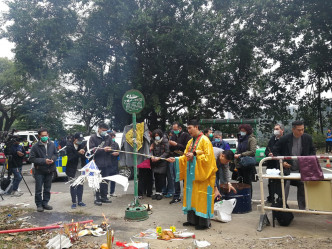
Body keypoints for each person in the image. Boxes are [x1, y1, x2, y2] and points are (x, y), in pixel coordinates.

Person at [167, 119, 217, 230]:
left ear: (196, 127)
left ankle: (204, 223)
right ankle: (192, 221)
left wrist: (195, 156)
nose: (188, 130)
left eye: (190, 128)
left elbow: (208, 159)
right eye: (187, 128)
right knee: (191, 197)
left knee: (202, 198)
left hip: (203, 176)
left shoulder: (205, 140)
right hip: (191, 176)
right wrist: (175, 159)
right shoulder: (190, 142)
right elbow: (185, 157)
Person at [273, 120, 316, 210]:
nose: (301, 132)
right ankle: (282, 206)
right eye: (299, 130)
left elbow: (313, 151)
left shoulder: (307, 138)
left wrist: (308, 160)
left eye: (303, 129)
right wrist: (282, 161)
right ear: (293, 129)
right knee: (285, 183)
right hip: (288, 169)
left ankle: (303, 207)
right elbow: (275, 150)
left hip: (302, 168)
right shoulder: (285, 139)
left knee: (302, 184)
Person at [29, 128, 58, 212]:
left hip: (49, 170)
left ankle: (45, 203)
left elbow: (56, 154)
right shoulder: (35, 146)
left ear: (48, 135)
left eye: (46, 135)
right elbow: (31, 159)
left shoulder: (52, 144)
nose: (45, 137)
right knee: (38, 190)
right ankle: (39, 205)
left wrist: (53, 159)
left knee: (47, 189)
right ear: (39, 136)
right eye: (43, 136)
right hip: (39, 171)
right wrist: (44, 161)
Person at [89, 122, 114, 206]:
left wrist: (111, 149)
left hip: (107, 163)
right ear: (99, 129)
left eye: (106, 131)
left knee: (105, 181)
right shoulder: (93, 138)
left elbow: (113, 146)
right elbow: (92, 150)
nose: (105, 132)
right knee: (97, 181)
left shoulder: (108, 137)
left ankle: (104, 197)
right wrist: (103, 149)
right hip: (97, 164)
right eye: (103, 130)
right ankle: (97, 198)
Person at [168, 122, 191, 204]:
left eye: (176, 129)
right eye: (173, 130)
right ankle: (176, 196)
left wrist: (176, 144)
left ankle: (186, 196)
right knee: (175, 178)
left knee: (185, 178)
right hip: (175, 158)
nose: (174, 131)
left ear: (180, 128)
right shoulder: (173, 136)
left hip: (183, 159)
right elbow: (170, 148)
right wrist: (171, 144)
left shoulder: (186, 135)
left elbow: (186, 148)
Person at [234, 124, 257, 197]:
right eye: (241, 131)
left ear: (247, 131)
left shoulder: (252, 139)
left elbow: (252, 151)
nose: (241, 132)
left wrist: (241, 154)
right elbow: (238, 149)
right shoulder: (240, 138)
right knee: (240, 180)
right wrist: (236, 154)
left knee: (247, 181)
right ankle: (241, 196)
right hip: (239, 163)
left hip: (247, 163)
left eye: (243, 131)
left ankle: (249, 198)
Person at [264, 124, 284, 203]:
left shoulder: (285, 139)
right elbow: (266, 150)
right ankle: (271, 197)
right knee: (271, 182)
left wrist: (276, 155)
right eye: (274, 129)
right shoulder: (272, 139)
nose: (275, 130)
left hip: (280, 164)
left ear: (282, 130)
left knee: (280, 182)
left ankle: (280, 198)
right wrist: (268, 154)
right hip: (271, 164)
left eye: (277, 129)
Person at [66, 132, 86, 209]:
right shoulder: (69, 146)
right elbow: (71, 158)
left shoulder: (82, 145)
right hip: (72, 169)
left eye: (81, 140)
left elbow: (84, 157)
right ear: (75, 139)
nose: (80, 141)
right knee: (73, 185)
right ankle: (74, 202)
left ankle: (80, 201)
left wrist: (83, 153)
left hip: (80, 168)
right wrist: (78, 153)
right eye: (79, 140)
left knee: (80, 185)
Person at [150, 129, 169, 200]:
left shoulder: (165, 141)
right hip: (155, 162)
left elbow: (167, 152)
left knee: (161, 178)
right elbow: (151, 150)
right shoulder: (153, 141)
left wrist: (159, 158)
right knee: (156, 177)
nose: (156, 137)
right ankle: (157, 192)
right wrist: (152, 156)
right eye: (155, 136)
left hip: (162, 162)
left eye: (157, 136)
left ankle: (160, 192)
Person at [108, 132, 120, 197]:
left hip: (115, 163)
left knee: (114, 178)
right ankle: (105, 193)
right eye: (111, 137)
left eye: (113, 137)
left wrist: (118, 153)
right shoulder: (106, 144)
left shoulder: (116, 144)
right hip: (108, 163)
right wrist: (111, 154)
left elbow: (119, 151)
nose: (113, 138)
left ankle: (112, 192)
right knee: (107, 179)